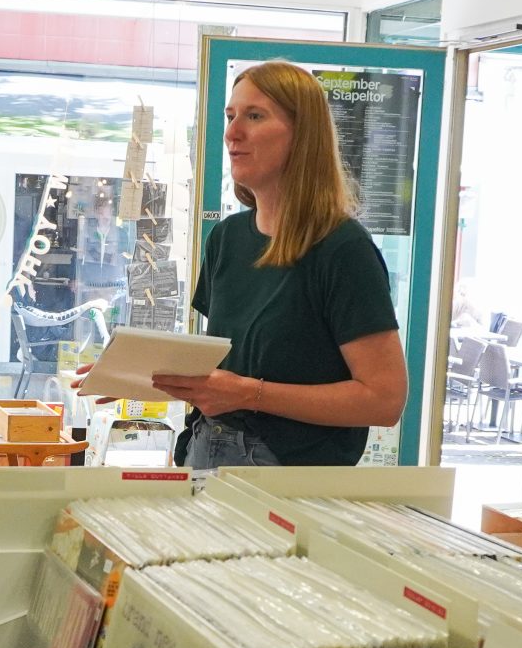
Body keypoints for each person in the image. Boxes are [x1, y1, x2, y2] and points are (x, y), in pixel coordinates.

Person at [150, 61, 408, 469]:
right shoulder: (227, 238)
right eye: (231, 116)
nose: (233, 133)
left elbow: (384, 400)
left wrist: (250, 394)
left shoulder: (342, 248)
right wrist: (139, 373)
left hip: (288, 481)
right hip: (204, 453)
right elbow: (224, 370)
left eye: (254, 116)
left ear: (302, 137)